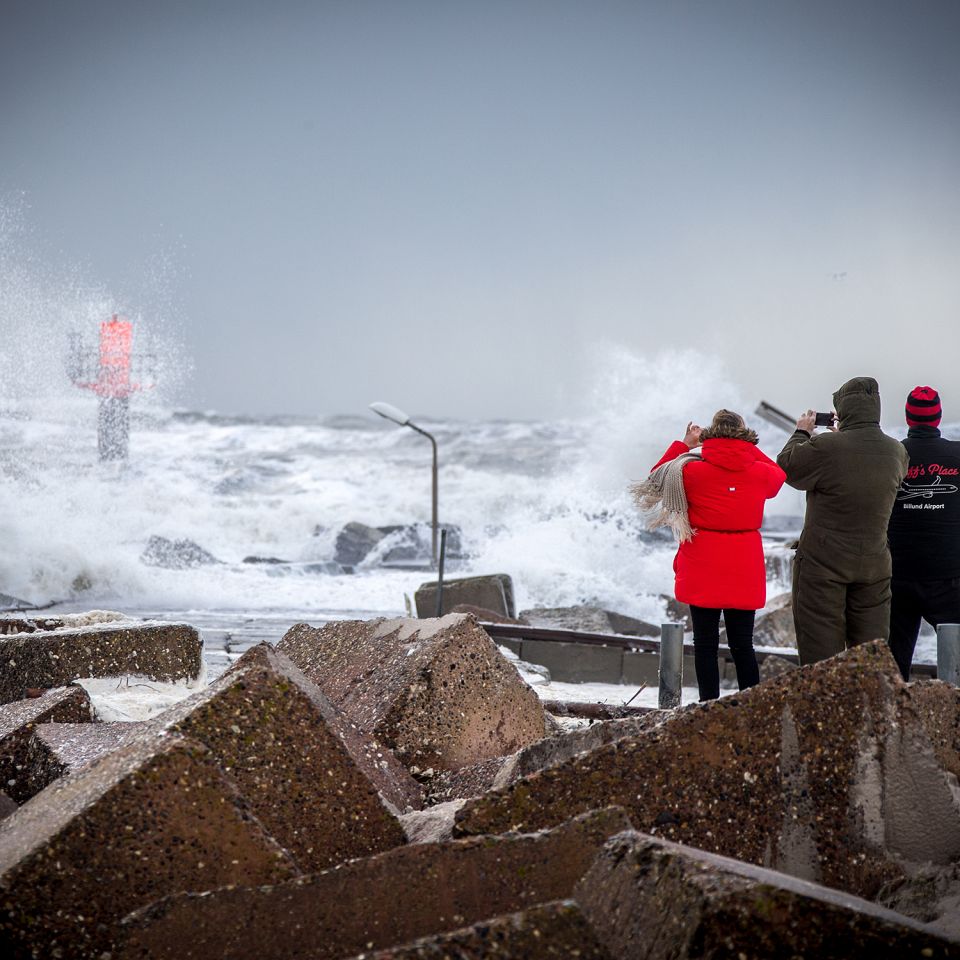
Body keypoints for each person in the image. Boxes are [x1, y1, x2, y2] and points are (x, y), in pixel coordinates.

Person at [638, 409, 785, 701]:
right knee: (743, 644)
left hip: (702, 559)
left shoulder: (689, 470)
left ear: (709, 434)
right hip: (744, 563)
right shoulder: (759, 471)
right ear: (744, 436)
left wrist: (686, 444)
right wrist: (746, 448)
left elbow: (657, 478)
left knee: (705, 643)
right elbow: (779, 475)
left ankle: (708, 706)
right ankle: (751, 708)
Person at [777, 377, 908, 665]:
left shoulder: (827, 447)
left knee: (822, 658)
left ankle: (827, 710)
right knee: (871, 656)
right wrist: (843, 436)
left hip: (824, 564)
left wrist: (802, 433)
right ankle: (873, 708)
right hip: (874, 564)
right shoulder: (896, 451)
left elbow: (788, 468)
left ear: (844, 410)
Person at [887, 387, 960, 680]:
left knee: (894, 664)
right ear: (938, 417)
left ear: (908, 417)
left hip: (898, 573)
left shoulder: (892, 455)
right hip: (949, 575)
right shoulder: (956, 455)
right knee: (956, 665)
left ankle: (892, 721)